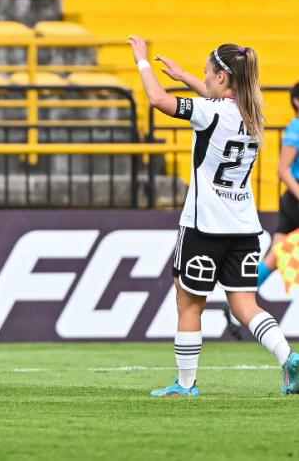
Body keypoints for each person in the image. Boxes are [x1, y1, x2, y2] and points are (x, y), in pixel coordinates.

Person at [128, 36, 299, 396]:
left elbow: (160, 100)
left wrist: (142, 61)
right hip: (244, 227)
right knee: (245, 305)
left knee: (189, 303)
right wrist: (185, 75)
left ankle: (186, 385)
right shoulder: (256, 116)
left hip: (204, 225)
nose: (204, 80)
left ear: (222, 77)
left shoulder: (211, 112)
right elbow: (218, 99)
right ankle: (289, 359)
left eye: (208, 74)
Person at [259, 83, 299, 286]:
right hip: (296, 198)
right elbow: (283, 169)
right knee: (276, 256)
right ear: (296, 101)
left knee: (275, 257)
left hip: (292, 201)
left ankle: (238, 300)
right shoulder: (296, 127)